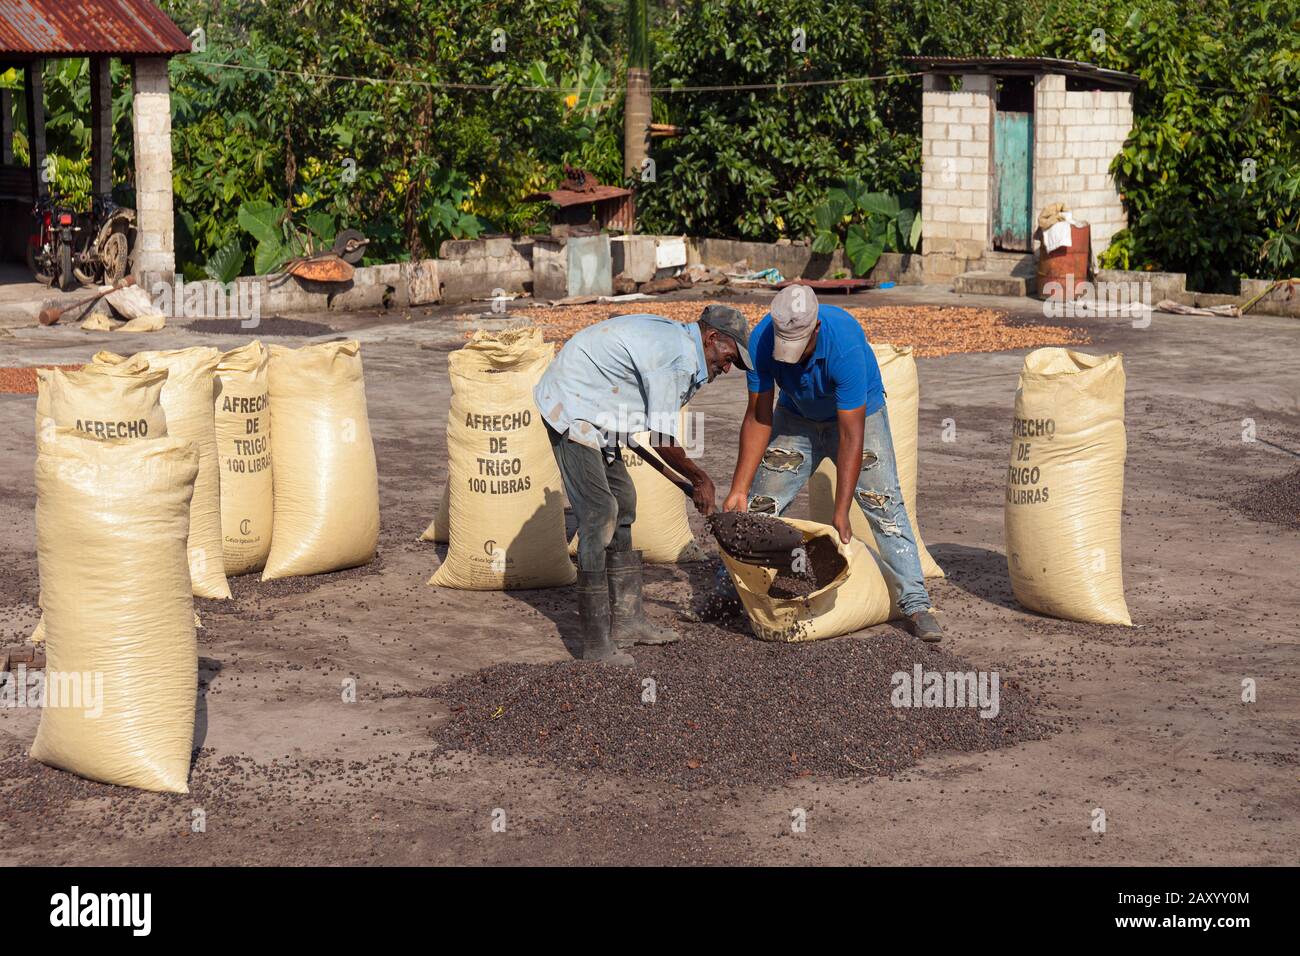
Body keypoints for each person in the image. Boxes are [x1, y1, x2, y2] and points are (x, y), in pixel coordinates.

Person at [720, 285, 944, 642]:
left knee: (884, 506)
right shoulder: (762, 341)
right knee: (759, 509)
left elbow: (852, 437)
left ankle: (916, 603)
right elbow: (759, 415)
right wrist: (738, 488)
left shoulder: (846, 345)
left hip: (859, 419)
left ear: (816, 330)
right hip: (795, 417)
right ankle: (729, 589)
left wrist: (841, 510)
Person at [535, 305, 753, 664]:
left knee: (624, 499)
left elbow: (643, 419)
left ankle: (627, 621)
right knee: (600, 513)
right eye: (729, 357)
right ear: (711, 338)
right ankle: (595, 643)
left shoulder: (683, 345)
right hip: (571, 404)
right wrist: (699, 479)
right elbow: (663, 440)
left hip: (601, 410)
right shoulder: (679, 359)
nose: (728, 367)